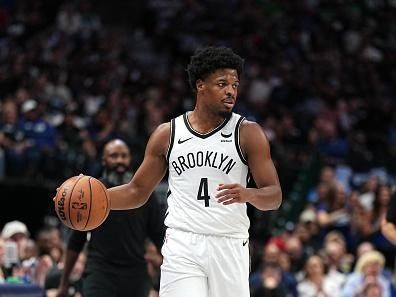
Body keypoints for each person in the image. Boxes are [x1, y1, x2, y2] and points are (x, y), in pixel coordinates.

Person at [56, 46, 282, 297]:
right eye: (222, 83)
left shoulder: (248, 133)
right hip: (182, 243)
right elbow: (137, 191)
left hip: (228, 243)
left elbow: (274, 195)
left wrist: (248, 194)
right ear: (201, 85)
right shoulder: (169, 133)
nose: (231, 91)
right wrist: (95, 199)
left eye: (235, 85)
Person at [55, 139, 165, 297]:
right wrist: (64, 282)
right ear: (104, 160)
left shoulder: (145, 195)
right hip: (100, 272)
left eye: (124, 156)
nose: (120, 160)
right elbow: (75, 242)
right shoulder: (89, 194)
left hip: (135, 273)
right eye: (114, 156)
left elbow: (159, 236)